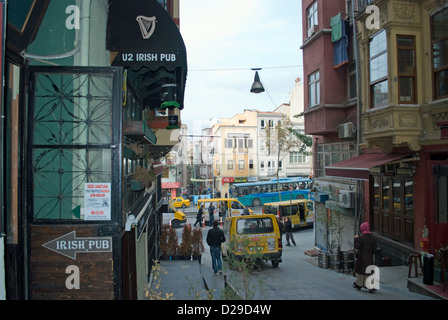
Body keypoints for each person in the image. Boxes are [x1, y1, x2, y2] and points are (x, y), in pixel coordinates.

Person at [353, 222, 377, 293]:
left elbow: (357, 246)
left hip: (362, 257)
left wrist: (356, 239)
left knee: (361, 272)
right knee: (369, 272)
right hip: (369, 257)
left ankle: (359, 284)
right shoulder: (373, 238)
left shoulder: (361, 237)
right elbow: (374, 249)